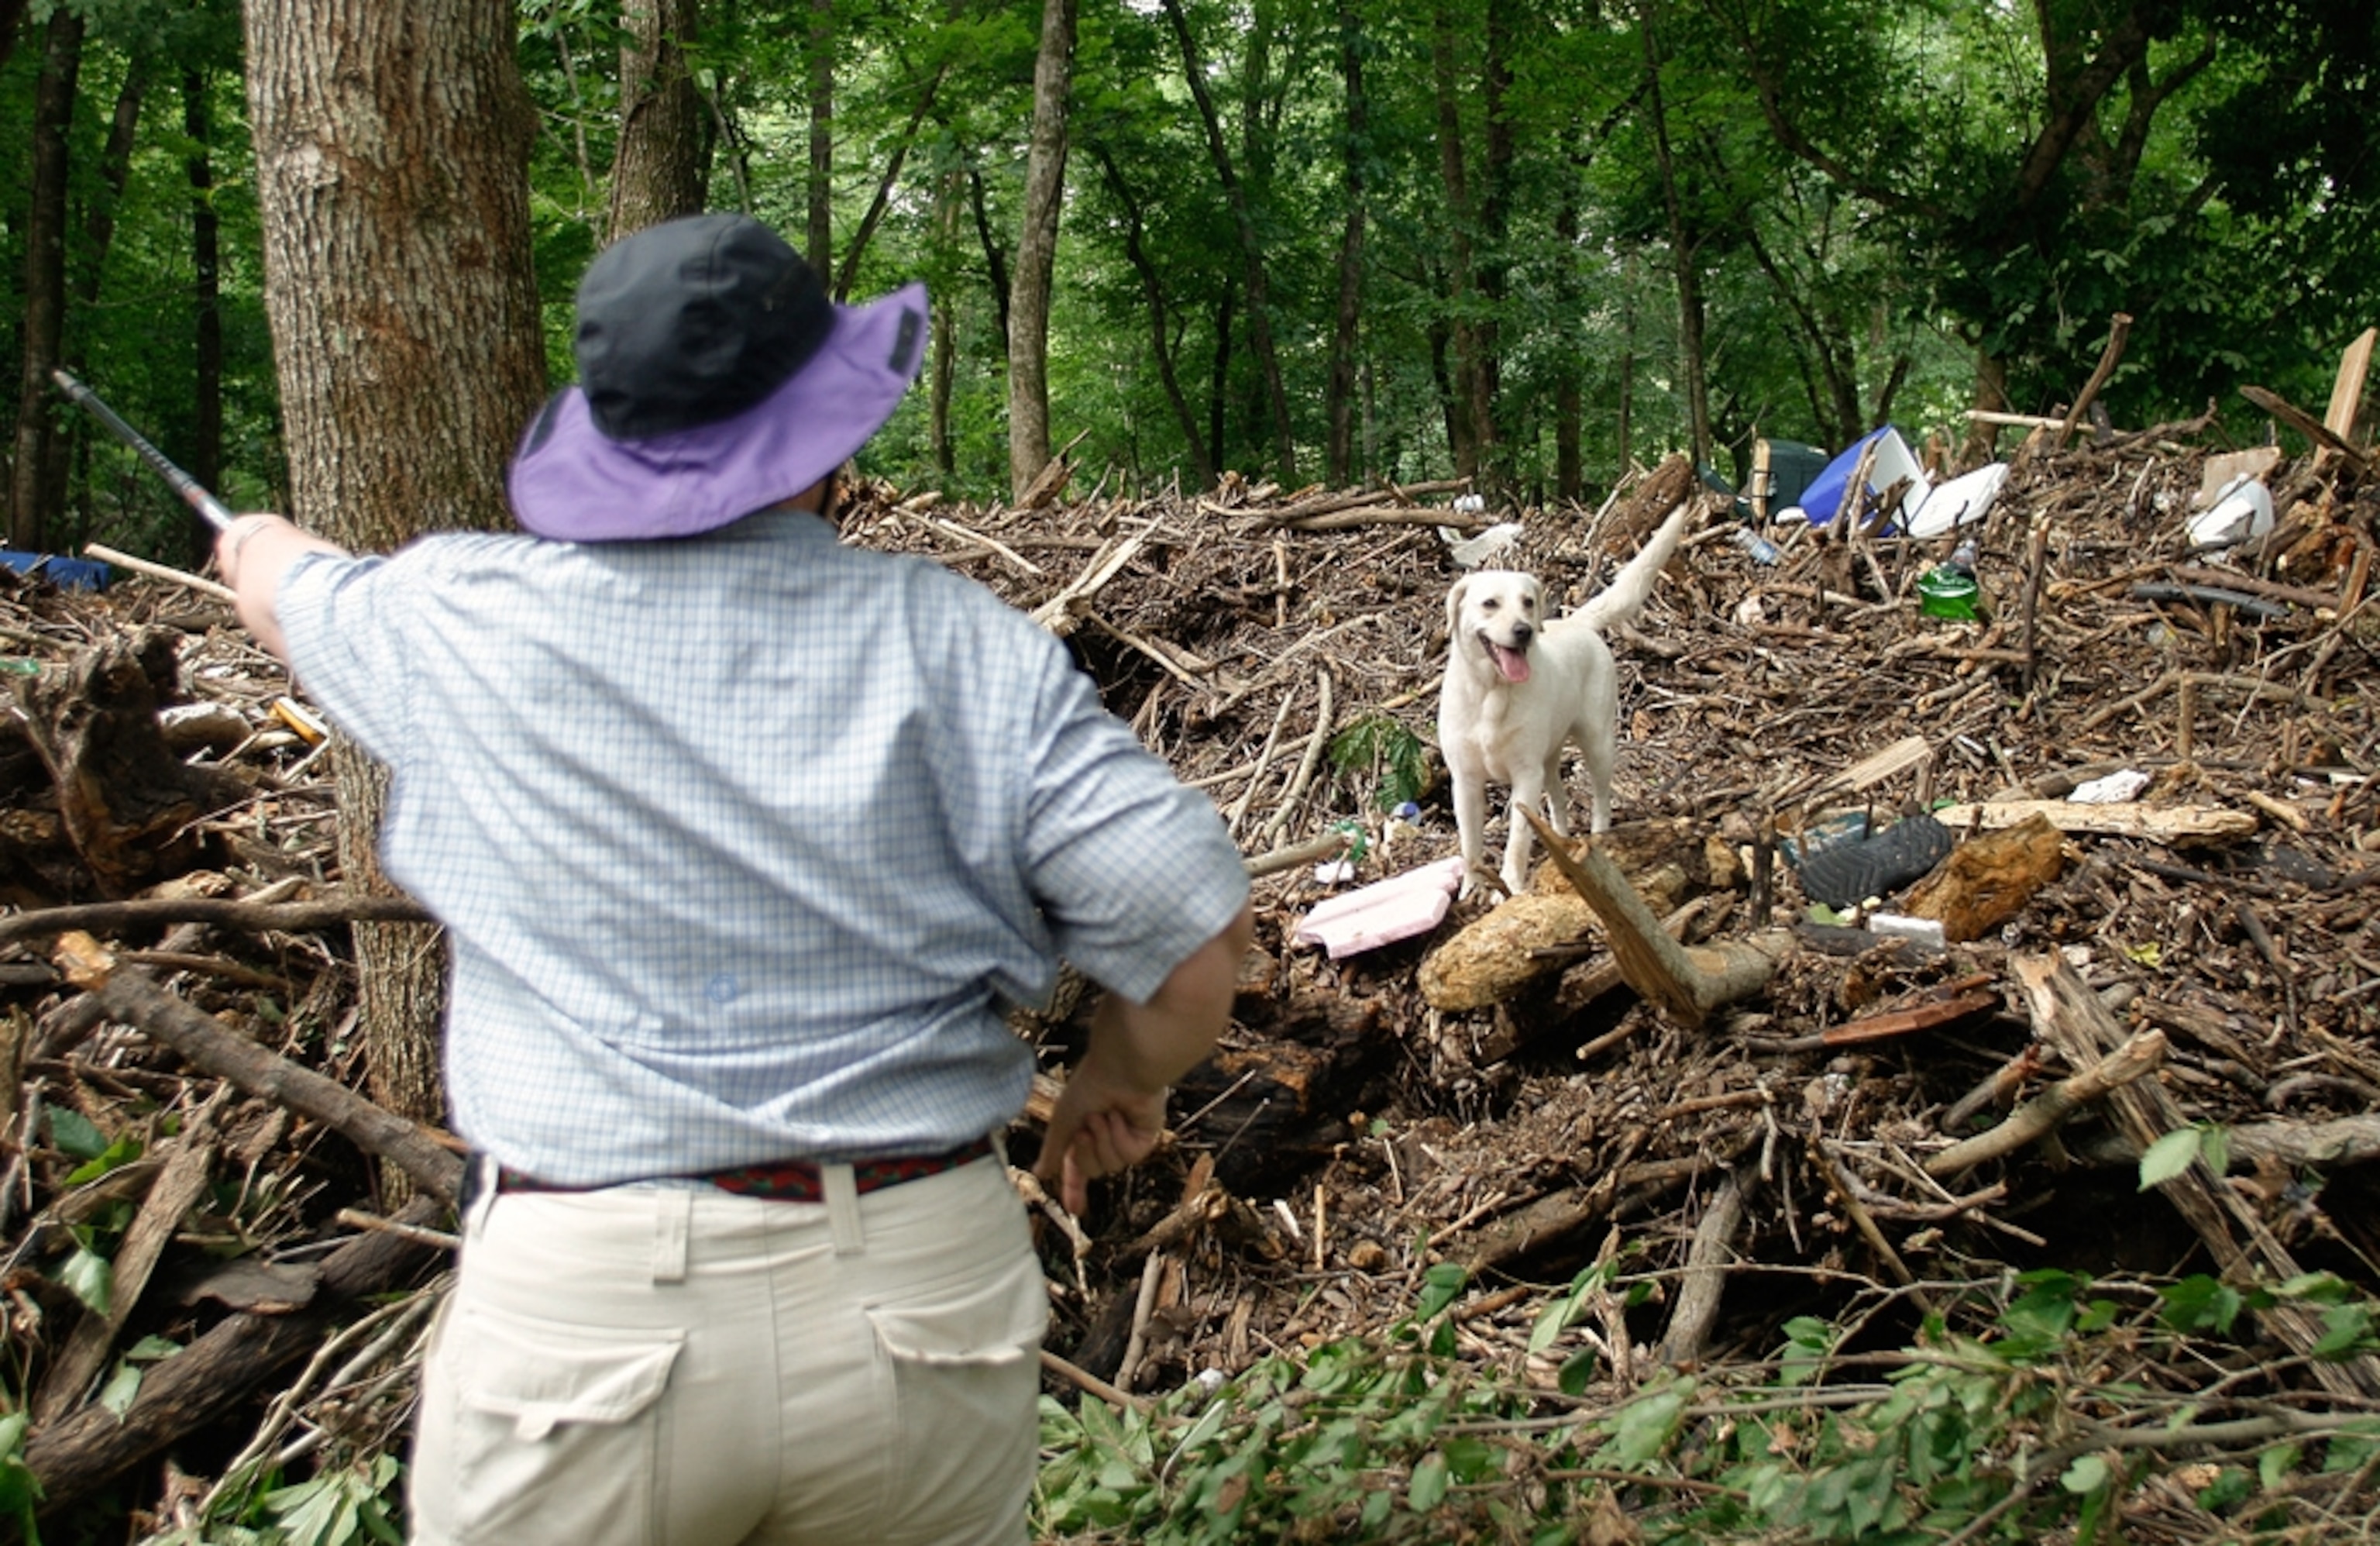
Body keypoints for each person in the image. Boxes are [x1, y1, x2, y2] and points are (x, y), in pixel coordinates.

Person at [214, 212, 1254, 1546]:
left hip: (585, 1317)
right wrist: (1119, 1082)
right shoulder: (961, 651)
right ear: (830, 442)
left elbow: (288, 588)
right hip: (912, 1304)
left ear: (604, 440)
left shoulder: (450, 618)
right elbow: (1190, 950)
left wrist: (251, 542)